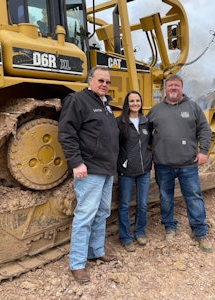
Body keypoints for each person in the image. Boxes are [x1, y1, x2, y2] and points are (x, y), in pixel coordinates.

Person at [58, 66, 119, 283]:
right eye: (101, 80)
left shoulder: (105, 105)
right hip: (89, 169)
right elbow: (66, 133)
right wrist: (76, 162)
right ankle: (77, 264)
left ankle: (96, 251)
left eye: (108, 82)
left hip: (106, 169)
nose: (105, 84)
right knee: (85, 215)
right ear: (90, 80)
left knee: (102, 212)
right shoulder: (77, 100)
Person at [147, 74, 213, 253]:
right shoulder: (155, 110)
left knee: (193, 196)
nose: (173, 88)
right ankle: (169, 227)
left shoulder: (193, 108)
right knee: (166, 197)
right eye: (170, 86)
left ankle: (200, 232)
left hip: (188, 165)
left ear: (181, 88)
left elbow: (205, 130)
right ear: (165, 89)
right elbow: (145, 132)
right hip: (163, 165)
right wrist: (150, 150)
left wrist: (203, 151)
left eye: (176, 85)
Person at [116, 91, 152, 252]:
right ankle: (125, 237)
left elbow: (151, 143)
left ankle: (139, 232)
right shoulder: (120, 122)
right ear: (127, 103)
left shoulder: (146, 122)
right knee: (124, 205)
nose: (135, 103)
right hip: (127, 171)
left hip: (144, 170)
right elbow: (114, 145)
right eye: (132, 101)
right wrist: (120, 163)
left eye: (138, 100)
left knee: (142, 204)